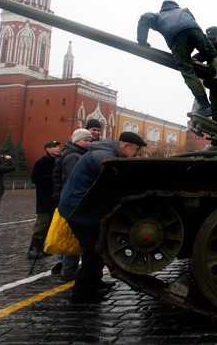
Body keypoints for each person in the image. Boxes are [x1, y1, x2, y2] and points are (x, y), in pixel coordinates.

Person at [58, 131, 147, 304]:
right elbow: (117, 183)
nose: (136, 155)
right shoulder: (103, 158)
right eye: (136, 150)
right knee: (95, 250)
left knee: (98, 248)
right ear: (126, 146)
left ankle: (93, 283)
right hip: (79, 209)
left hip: (82, 206)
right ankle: (82, 295)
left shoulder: (106, 153)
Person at [137, 0, 217, 117]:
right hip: (194, 29)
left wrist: (142, 42)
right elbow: (191, 26)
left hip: (175, 36)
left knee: (187, 70)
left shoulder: (158, 16)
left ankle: (205, 105)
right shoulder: (184, 11)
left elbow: (144, 18)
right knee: (214, 55)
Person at [51, 128, 93, 280]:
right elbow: (73, 180)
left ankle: (68, 269)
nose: (88, 143)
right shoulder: (73, 156)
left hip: (71, 199)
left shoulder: (76, 153)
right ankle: (68, 271)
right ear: (76, 141)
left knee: (73, 236)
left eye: (90, 141)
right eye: (85, 140)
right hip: (74, 200)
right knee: (73, 237)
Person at [27, 141, 62, 258]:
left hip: (55, 197)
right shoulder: (42, 162)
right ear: (47, 149)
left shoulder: (58, 161)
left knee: (51, 223)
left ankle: (43, 247)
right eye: (54, 147)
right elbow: (35, 178)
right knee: (42, 223)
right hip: (44, 197)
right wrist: (53, 176)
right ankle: (33, 248)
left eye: (58, 146)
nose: (58, 148)